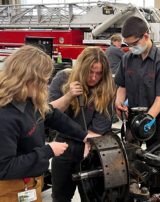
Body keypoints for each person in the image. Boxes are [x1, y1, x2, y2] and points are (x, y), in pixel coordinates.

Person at [0, 45, 94, 201]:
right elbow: (4, 168)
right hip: (9, 189)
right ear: (27, 78)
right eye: (42, 81)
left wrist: (84, 135)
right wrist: (48, 151)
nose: (45, 85)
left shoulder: (27, 99)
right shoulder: (5, 116)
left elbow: (51, 115)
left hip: (31, 182)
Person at [49, 47, 116, 201]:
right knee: (60, 197)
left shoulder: (107, 88)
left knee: (91, 197)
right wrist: (69, 96)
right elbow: (48, 113)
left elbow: (99, 127)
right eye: (90, 72)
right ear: (81, 68)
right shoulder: (62, 78)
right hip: (63, 146)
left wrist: (88, 145)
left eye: (98, 73)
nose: (93, 77)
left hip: (91, 147)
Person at [115, 16, 160, 151]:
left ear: (145, 36)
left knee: (156, 157)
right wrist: (118, 102)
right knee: (131, 157)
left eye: (134, 44)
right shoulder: (127, 59)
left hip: (155, 117)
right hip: (132, 115)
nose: (131, 48)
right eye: (128, 45)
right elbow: (122, 85)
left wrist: (147, 121)